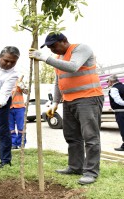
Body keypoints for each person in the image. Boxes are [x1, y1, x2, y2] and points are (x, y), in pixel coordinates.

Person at [29, 32, 104, 185]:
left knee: (90, 137)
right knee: (72, 136)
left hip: (88, 98)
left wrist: (44, 58)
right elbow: (59, 82)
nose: (51, 50)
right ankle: (75, 166)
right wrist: (56, 102)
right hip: (69, 101)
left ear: (64, 41)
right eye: (48, 48)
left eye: (53, 46)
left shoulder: (81, 49)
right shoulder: (58, 59)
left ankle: (90, 172)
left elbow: (73, 67)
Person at [107, 74, 124, 151]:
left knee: (123, 129)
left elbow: (118, 101)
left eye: (108, 81)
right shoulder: (123, 86)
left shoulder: (114, 89)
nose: (107, 83)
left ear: (111, 81)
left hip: (120, 112)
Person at [9, 79, 28, 149]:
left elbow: (27, 92)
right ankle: (13, 144)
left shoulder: (18, 82)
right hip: (9, 108)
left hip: (19, 108)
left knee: (21, 127)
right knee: (11, 128)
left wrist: (22, 87)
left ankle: (21, 143)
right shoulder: (5, 82)